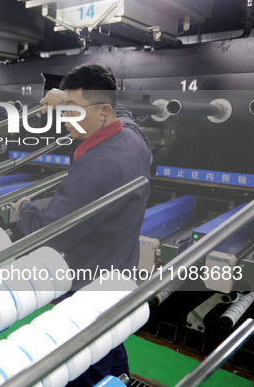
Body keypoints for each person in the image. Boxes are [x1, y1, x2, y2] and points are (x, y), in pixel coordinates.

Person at [15, 63, 152, 386]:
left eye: (73, 111)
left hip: (86, 286)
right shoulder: (134, 137)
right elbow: (122, 111)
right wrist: (65, 97)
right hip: (119, 276)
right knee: (109, 346)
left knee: (83, 363)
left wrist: (25, 210)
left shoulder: (94, 165)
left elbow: (50, 234)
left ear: (104, 110)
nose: (64, 120)